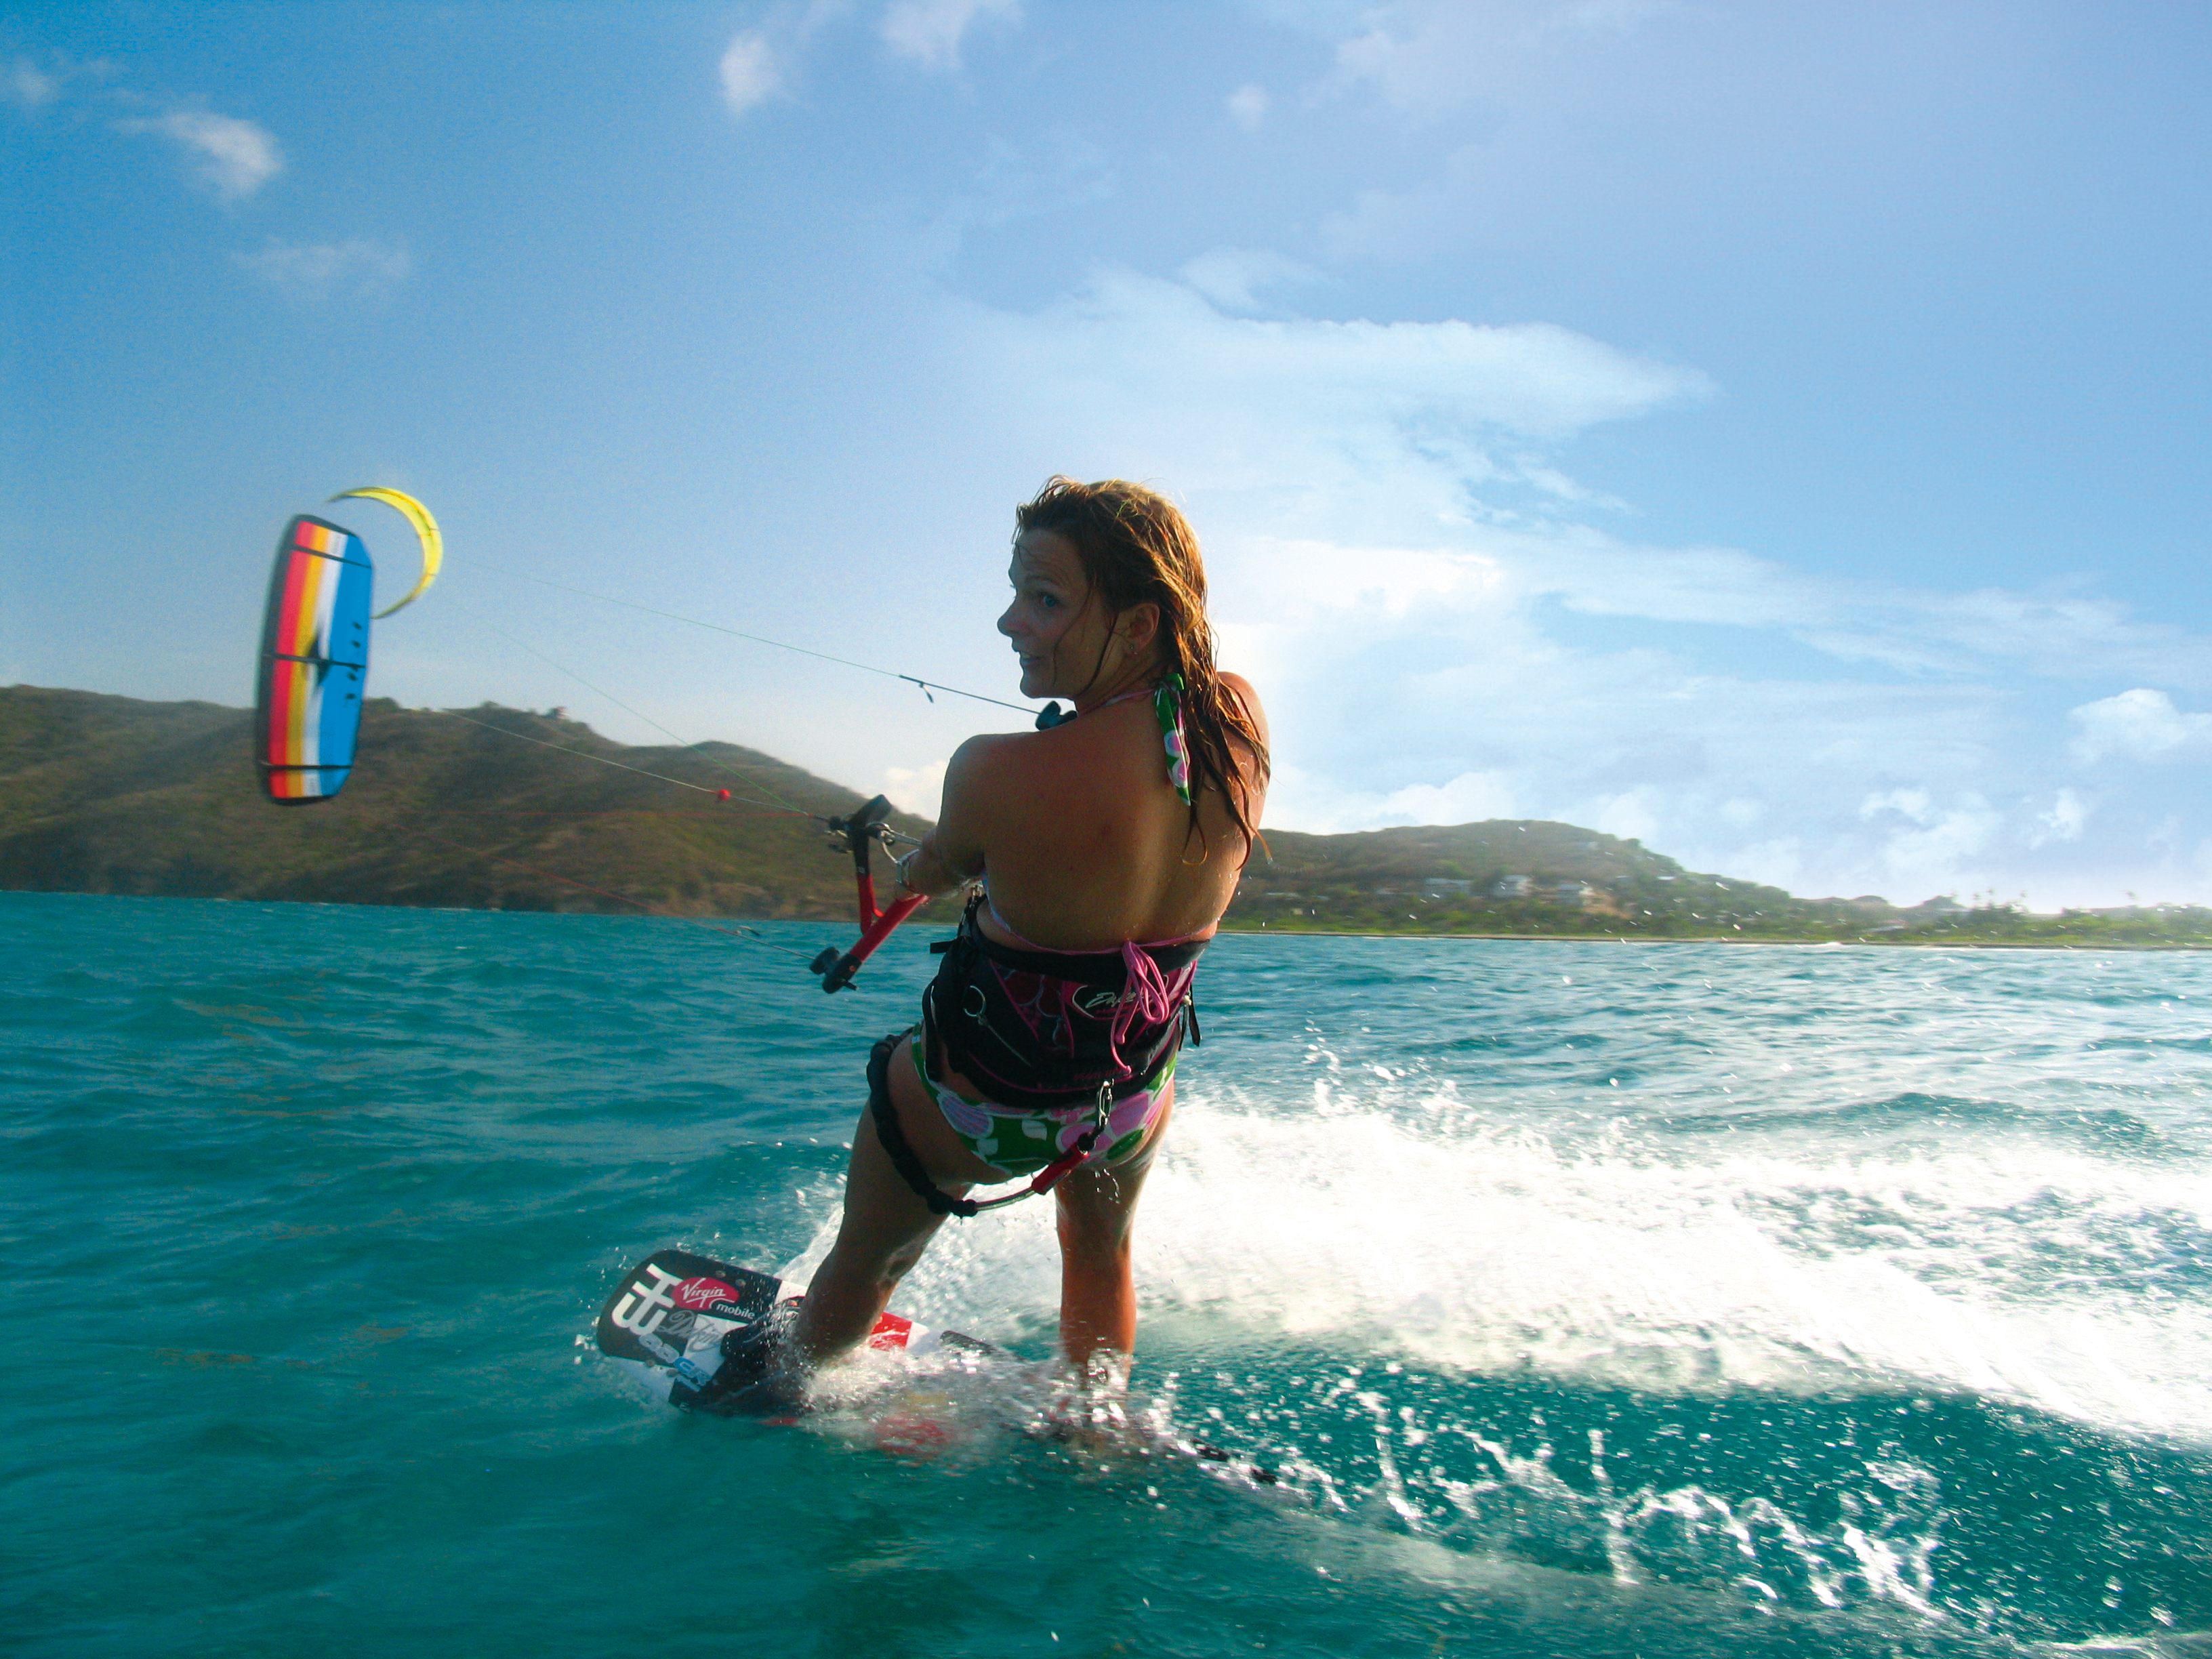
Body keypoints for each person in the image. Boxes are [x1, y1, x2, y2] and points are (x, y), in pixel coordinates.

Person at [711, 477, 1268, 1413]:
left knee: (870, 1260)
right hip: (1121, 1106)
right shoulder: (1238, 730)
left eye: (1045, 599)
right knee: (1099, 1258)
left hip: (973, 1104)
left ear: (1136, 625)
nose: (1011, 622)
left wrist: (919, 866)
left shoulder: (991, 769)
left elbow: (934, 869)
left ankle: (779, 1383)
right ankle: (1091, 1424)